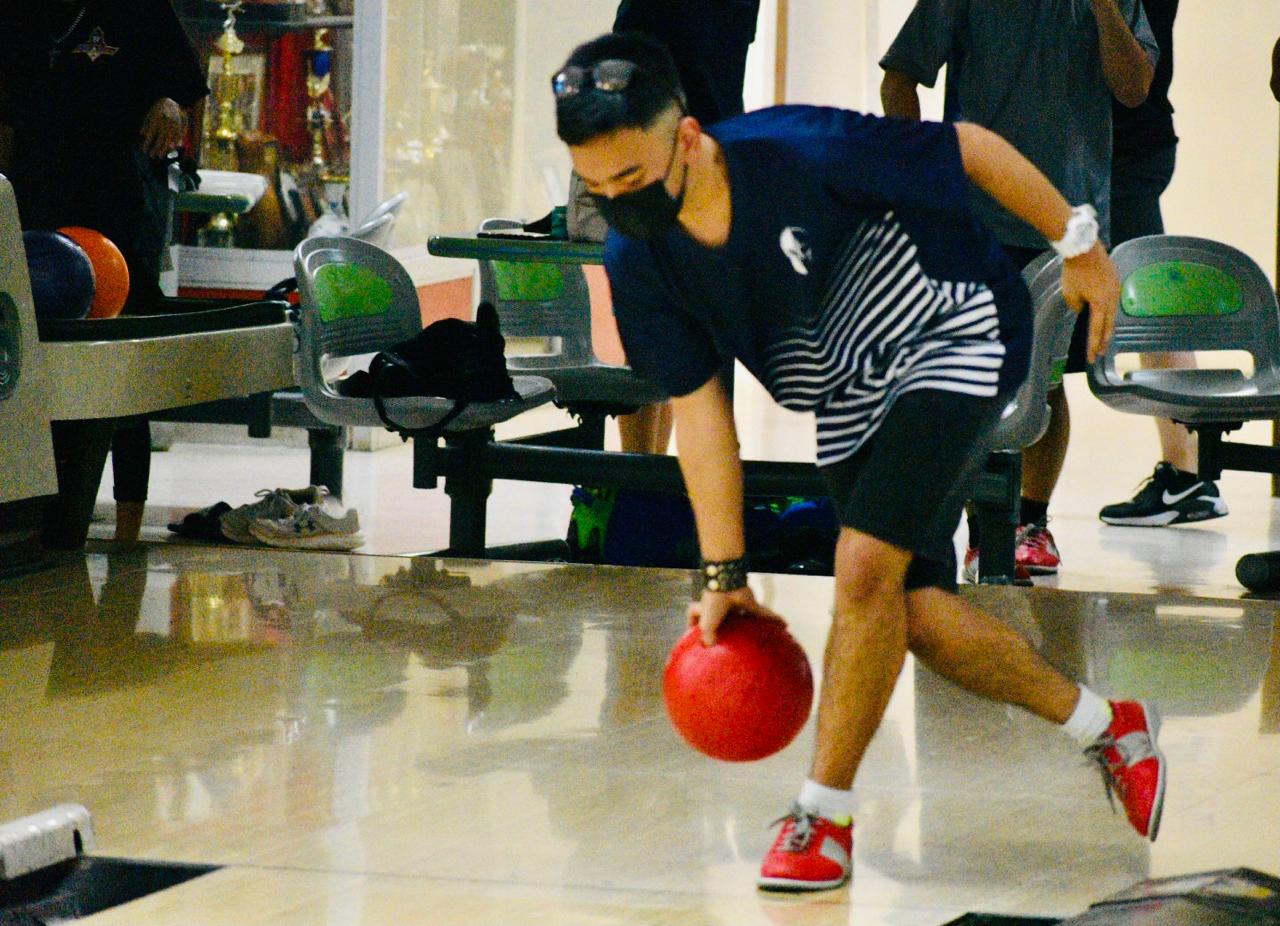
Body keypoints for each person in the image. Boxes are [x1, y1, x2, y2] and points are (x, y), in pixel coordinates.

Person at [553, 32, 1166, 892]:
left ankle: (821, 817)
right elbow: (701, 414)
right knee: (909, 610)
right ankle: (1110, 728)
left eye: (633, 177)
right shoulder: (639, 259)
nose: (622, 202)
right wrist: (723, 574)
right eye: (599, 187)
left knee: (863, 565)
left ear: (686, 138)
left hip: (951, 327)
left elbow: (969, 148)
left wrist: (1080, 244)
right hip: (847, 394)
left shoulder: (798, 150)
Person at [880, 0, 1158, 579]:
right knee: (971, 379)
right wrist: (921, 173)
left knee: (1047, 382)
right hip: (976, 216)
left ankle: (1031, 521)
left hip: (1069, 224)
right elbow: (899, 75)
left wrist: (1105, 9)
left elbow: (1135, 90)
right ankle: (980, 525)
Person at [0, 0, 208, 544]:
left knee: (123, 357)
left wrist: (171, 109)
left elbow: (188, 89)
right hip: (37, 191)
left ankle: (127, 528)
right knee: (33, 353)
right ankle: (38, 511)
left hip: (121, 196)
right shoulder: (18, 12)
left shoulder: (137, 7)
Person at [578, 0, 760, 454]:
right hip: (712, 163)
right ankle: (654, 478)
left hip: (662, 166)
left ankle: (642, 477)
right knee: (699, 339)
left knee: (660, 330)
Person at [1098, 0, 1228, 527]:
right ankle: (1187, 472)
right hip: (1132, 143)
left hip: (1126, 146)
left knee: (1149, 304)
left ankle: (1188, 474)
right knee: (1148, 300)